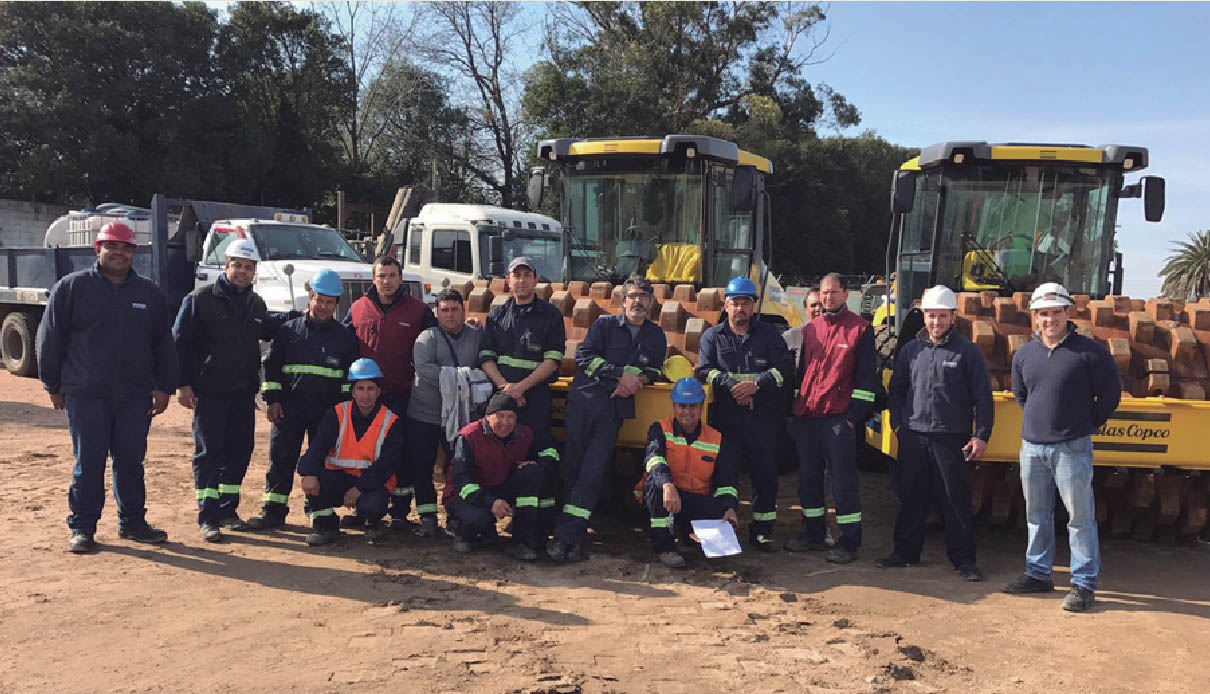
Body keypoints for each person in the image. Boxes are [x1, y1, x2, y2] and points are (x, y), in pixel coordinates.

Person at [38, 221, 179, 553]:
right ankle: (83, 528)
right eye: (112, 246)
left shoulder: (149, 293)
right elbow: (50, 338)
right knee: (88, 461)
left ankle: (132, 523)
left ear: (133, 253)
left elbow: (163, 343)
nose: (119, 253)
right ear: (97, 249)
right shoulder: (71, 288)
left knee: (131, 460)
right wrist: (52, 383)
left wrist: (164, 386)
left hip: (134, 395)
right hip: (87, 394)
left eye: (126, 248)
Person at [1003, 282, 1120, 612]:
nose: (1049, 319)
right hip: (1033, 448)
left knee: (1080, 518)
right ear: (1035, 317)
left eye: (1056, 312)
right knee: (1036, 515)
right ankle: (1038, 574)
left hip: (1072, 448)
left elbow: (1109, 395)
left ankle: (1083, 584)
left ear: (1069, 314)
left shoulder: (1090, 353)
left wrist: (1087, 424)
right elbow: (1022, 395)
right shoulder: (1025, 354)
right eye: (1043, 313)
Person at [172, 238, 298, 542]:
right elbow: (179, 344)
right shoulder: (199, 299)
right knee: (208, 454)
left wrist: (295, 316)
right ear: (226, 266)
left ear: (254, 271)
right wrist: (182, 384)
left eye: (248, 267)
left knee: (239, 453)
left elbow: (264, 327)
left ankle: (228, 511)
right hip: (210, 391)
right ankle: (208, 516)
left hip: (242, 392)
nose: (242, 271)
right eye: (237, 265)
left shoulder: (255, 303)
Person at [547, 274, 667, 563]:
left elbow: (653, 370)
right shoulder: (604, 326)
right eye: (633, 296)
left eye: (643, 296)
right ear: (623, 301)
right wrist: (619, 374)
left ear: (651, 302)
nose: (637, 301)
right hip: (584, 404)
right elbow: (585, 357)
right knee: (573, 469)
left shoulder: (656, 336)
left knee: (593, 471)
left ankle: (567, 538)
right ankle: (569, 536)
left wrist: (636, 381)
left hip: (614, 411)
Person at [880, 286, 993, 581]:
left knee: (955, 500)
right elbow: (897, 391)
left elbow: (983, 396)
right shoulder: (910, 351)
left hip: (950, 438)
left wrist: (981, 434)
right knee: (910, 497)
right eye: (931, 316)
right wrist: (899, 426)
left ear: (953, 317)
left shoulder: (967, 352)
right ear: (924, 317)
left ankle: (964, 561)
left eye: (942, 316)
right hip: (914, 436)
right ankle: (905, 553)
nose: (936, 322)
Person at [248, 269, 359, 529]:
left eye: (329, 302)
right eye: (319, 299)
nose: (323, 306)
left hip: (326, 413)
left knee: (321, 461)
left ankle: (319, 511)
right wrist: (272, 399)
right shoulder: (288, 331)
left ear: (336, 304)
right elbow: (271, 367)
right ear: (310, 297)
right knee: (281, 460)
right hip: (288, 410)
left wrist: (341, 414)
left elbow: (347, 380)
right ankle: (273, 511)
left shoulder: (345, 338)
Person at [696, 276, 794, 552]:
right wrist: (731, 386)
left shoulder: (769, 335)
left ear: (753, 306)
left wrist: (756, 385)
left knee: (765, 475)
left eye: (746, 303)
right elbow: (705, 369)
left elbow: (784, 369)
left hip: (762, 419)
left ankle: (762, 531)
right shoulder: (712, 337)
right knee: (725, 474)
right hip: (726, 420)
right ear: (726, 305)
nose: (740, 308)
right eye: (735, 302)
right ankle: (725, 528)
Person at [787, 273, 876, 563]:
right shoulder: (811, 329)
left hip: (838, 420)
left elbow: (866, 382)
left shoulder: (860, 330)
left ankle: (849, 541)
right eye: (824, 293)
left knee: (843, 482)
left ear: (846, 294)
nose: (828, 298)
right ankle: (814, 533)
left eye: (834, 293)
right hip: (808, 417)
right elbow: (802, 375)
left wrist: (852, 418)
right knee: (809, 479)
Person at [343, 256, 436, 531]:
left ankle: (401, 512)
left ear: (400, 278)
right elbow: (345, 344)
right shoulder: (358, 308)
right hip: (367, 398)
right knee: (368, 453)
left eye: (392, 275)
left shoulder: (418, 311)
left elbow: (437, 340)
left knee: (405, 454)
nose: (386, 281)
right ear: (373, 278)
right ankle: (368, 508)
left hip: (403, 395)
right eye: (381, 275)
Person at [478, 256, 565, 518]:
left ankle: (540, 519)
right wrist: (506, 388)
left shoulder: (550, 316)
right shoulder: (497, 315)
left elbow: (552, 362)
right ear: (508, 281)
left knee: (540, 454)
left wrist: (521, 388)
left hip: (535, 400)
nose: (521, 280)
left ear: (536, 280)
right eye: (516, 275)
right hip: (503, 401)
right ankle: (503, 509)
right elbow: (486, 358)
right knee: (502, 454)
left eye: (527, 275)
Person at [296, 358, 403, 546]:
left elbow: (387, 465)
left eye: (370, 388)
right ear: (352, 391)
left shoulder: (391, 421)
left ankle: (371, 523)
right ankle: (325, 526)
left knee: (373, 505)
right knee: (313, 483)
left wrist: (359, 488)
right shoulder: (337, 414)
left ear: (378, 392)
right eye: (360, 389)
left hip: (370, 483)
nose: (365, 395)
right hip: (338, 478)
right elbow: (318, 446)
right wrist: (308, 472)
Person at [638, 378, 739, 567]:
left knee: (722, 518)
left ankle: (688, 535)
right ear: (674, 406)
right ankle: (665, 547)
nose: (687, 412)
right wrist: (667, 485)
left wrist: (729, 508)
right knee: (655, 483)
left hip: (695, 499)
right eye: (682, 406)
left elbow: (726, 481)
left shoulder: (716, 438)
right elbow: (654, 459)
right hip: (666, 496)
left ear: (702, 407)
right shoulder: (659, 429)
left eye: (693, 406)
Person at [445, 393, 560, 562]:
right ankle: (461, 530)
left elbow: (550, 451)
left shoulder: (524, 434)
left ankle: (521, 541)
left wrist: (538, 464)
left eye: (511, 417)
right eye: (500, 416)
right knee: (479, 519)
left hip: (500, 486)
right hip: (466, 496)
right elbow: (462, 482)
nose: (505, 423)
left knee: (532, 474)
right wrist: (491, 502)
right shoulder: (469, 436)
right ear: (487, 417)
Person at [407, 287, 482, 537]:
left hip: (461, 418)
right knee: (421, 466)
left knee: (457, 467)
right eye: (444, 310)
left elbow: (485, 365)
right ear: (436, 313)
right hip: (424, 415)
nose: (450, 315)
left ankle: (455, 514)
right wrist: (462, 377)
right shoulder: (426, 338)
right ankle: (427, 517)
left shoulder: (476, 337)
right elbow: (424, 369)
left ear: (463, 311)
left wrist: (464, 377)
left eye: (455, 310)